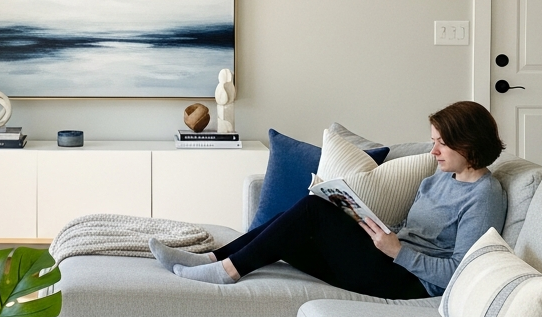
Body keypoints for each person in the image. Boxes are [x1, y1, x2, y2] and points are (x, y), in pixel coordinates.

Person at [149, 101, 508, 299]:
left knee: (313, 210)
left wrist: (398, 251)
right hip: (388, 259)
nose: (433, 151)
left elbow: (461, 272)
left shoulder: (484, 195)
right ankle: (212, 257)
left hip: (410, 283)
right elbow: (412, 228)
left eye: (442, 144)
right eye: (433, 142)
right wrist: (370, 227)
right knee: (292, 223)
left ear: (469, 144)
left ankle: (227, 271)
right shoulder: (441, 176)